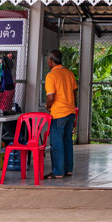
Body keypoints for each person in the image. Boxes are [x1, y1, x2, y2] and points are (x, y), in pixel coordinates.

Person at [44, 49, 77, 179]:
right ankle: (68, 169)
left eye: (48, 59)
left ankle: (58, 172)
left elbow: (51, 96)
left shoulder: (51, 75)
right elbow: (74, 92)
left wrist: (47, 105)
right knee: (67, 141)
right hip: (70, 112)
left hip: (58, 114)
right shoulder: (69, 73)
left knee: (57, 143)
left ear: (51, 61)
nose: (47, 61)